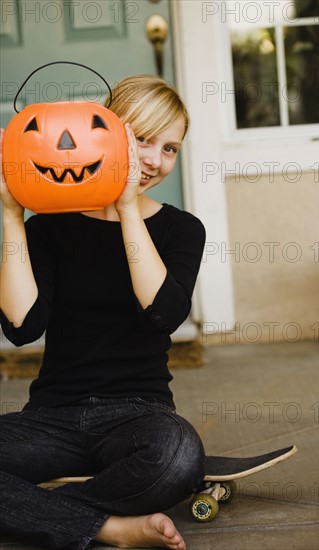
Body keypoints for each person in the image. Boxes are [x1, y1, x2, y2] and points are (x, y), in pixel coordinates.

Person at [0, 75, 206, 550]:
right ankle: (110, 526)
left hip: (140, 417)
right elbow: (21, 327)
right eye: (143, 140)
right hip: (51, 418)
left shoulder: (181, 229)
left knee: (178, 459)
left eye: (170, 148)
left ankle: (36, 509)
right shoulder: (49, 228)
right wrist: (12, 217)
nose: (155, 160)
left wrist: (128, 209)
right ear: (108, 135)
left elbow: (163, 314)